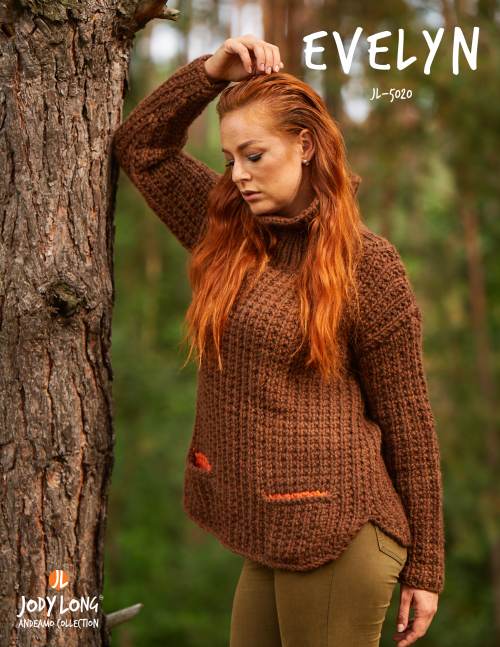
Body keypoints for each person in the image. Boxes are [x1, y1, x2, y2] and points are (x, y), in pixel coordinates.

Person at [112, 34, 445, 647]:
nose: (238, 175)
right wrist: (209, 73)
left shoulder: (368, 265)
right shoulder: (228, 233)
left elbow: (408, 420)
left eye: (255, 155)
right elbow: (142, 148)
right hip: (268, 534)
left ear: (305, 145)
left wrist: (427, 566)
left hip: (343, 532)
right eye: (230, 159)